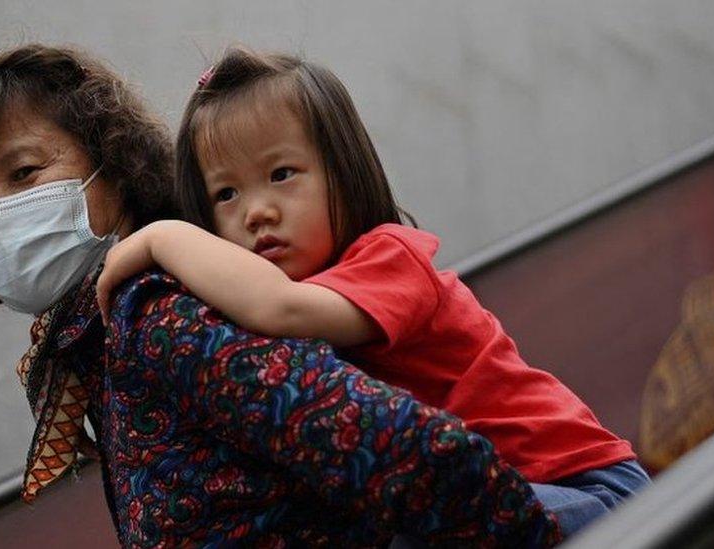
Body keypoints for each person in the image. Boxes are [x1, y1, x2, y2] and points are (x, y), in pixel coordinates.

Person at [0, 43, 560, 546]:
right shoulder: (95, 343)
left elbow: (410, 451)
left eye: (25, 171)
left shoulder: (157, 314)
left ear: (114, 171)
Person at [94, 46, 651, 538]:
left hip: (586, 491)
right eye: (226, 194)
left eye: (282, 173)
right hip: (491, 494)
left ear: (345, 171)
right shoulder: (279, 292)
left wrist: (163, 237)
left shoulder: (392, 258)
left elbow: (278, 307)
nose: (257, 211)